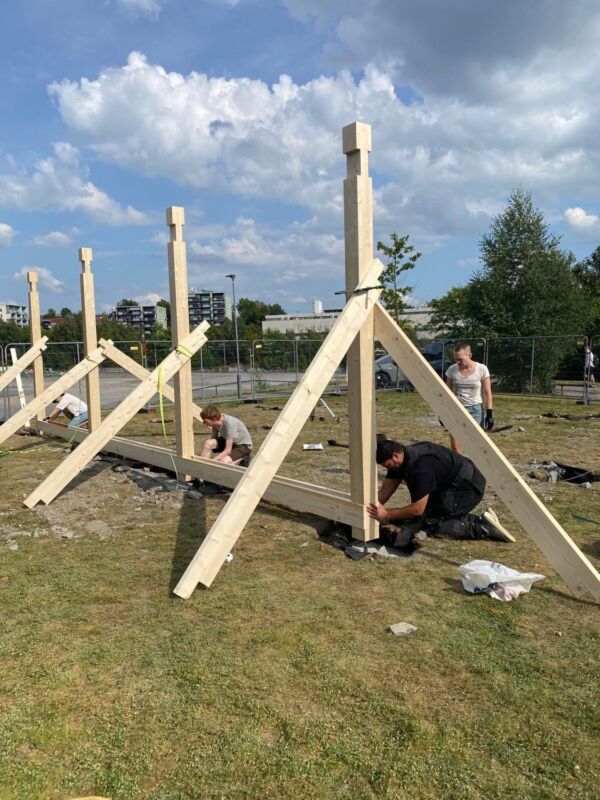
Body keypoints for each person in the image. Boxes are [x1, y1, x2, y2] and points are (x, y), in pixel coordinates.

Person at [366, 437, 515, 544]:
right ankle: (483, 520)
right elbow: (385, 492)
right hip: (452, 484)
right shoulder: (402, 459)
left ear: (395, 455)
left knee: (431, 524)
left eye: (388, 466)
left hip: (468, 487)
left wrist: (387, 514)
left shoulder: (419, 468)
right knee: (429, 515)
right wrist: (369, 507)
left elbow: (417, 509)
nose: (388, 469)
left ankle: (483, 528)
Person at [445, 342, 494, 454]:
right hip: (456, 409)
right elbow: (447, 392)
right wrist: (443, 412)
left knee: (476, 446)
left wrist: (489, 414)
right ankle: (460, 465)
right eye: (456, 359)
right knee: (455, 447)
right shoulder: (452, 369)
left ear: (469, 355)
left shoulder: (481, 369)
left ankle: (476, 465)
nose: (458, 362)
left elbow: (487, 392)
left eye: (460, 359)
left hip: (475, 410)